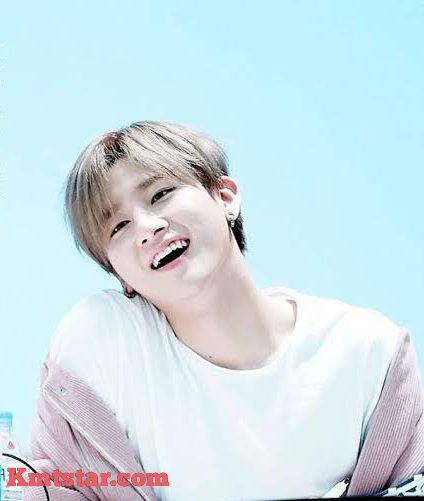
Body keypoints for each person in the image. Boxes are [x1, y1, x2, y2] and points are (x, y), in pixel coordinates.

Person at [23, 121, 424, 501]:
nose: (147, 226)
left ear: (225, 197)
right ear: (118, 274)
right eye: (118, 227)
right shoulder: (101, 345)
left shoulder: (367, 352)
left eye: (160, 194)